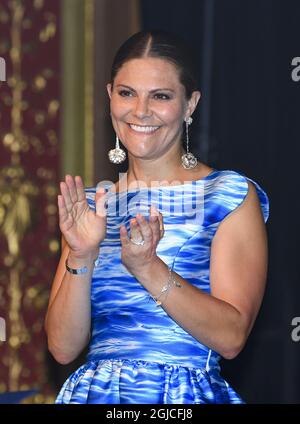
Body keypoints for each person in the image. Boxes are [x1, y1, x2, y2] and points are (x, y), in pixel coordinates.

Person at [45, 30, 270, 404]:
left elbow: (231, 338)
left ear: (189, 104)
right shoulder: (92, 205)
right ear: (109, 97)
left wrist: (148, 267)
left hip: (182, 397)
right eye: (127, 93)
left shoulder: (226, 195)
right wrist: (81, 254)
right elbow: (63, 348)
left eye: (161, 96)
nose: (140, 111)